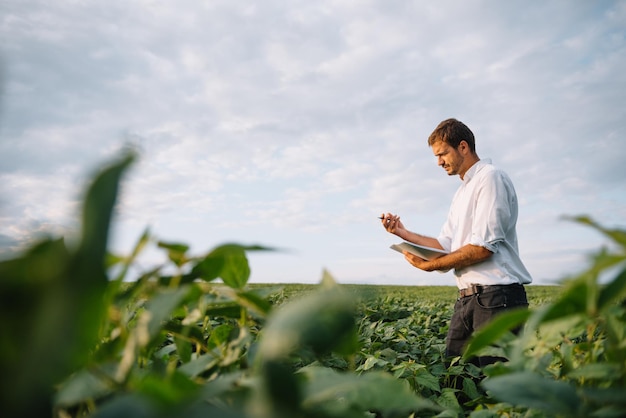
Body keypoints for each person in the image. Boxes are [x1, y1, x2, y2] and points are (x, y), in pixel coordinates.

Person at [381, 118, 532, 367]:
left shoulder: (490, 178)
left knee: (493, 386)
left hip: (497, 297)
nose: (439, 162)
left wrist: (431, 266)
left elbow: (482, 248)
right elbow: (446, 244)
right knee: (456, 377)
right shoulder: (463, 191)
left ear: (463, 147)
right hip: (468, 299)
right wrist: (402, 233)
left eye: (443, 154)